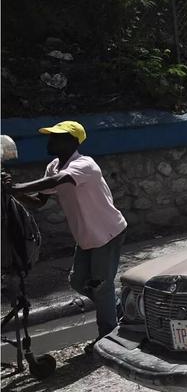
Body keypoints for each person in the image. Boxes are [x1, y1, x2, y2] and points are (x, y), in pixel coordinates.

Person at [2, 121, 127, 352]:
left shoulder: (85, 164)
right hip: (86, 235)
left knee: (101, 285)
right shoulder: (53, 166)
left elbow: (59, 181)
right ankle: (117, 307)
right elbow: (40, 201)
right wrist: (12, 195)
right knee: (78, 281)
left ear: (72, 141)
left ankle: (109, 339)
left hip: (107, 232)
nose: (49, 142)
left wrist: (17, 188)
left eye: (55, 137)